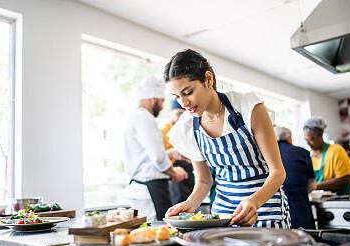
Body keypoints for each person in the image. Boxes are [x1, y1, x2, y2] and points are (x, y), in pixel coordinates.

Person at [164, 49, 290, 229]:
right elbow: (204, 180)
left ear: (208, 79)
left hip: (265, 208)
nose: (184, 104)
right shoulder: (188, 127)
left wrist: (254, 202)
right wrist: (190, 204)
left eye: (188, 92)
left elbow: (278, 171)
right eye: (177, 97)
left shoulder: (248, 107)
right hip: (223, 215)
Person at [124, 76, 188, 222]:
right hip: (150, 190)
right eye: (162, 101)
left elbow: (147, 157)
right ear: (153, 100)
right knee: (158, 235)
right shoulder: (145, 118)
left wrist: (171, 153)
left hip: (143, 188)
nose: (162, 106)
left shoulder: (135, 117)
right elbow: (158, 158)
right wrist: (174, 172)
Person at [303, 116, 350, 195]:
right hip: (333, 199)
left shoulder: (336, 151)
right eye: (306, 140)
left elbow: (344, 180)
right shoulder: (309, 155)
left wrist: (315, 186)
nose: (308, 143)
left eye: (311, 139)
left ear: (321, 135)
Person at [274, 126, 316, 229]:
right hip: (300, 207)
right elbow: (312, 184)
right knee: (305, 239)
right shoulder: (303, 152)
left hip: (275, 210)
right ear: (290, 139)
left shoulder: (266, 154)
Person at [160, 99, 195, 205]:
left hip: (189, 169)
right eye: (178, 113)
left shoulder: (187, 128)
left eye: (184, 113)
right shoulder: (163, 130)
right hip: (174, 170)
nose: (181, 117)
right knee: (179, 201)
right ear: (171, 113)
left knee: (191, 200)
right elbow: (159, 155)